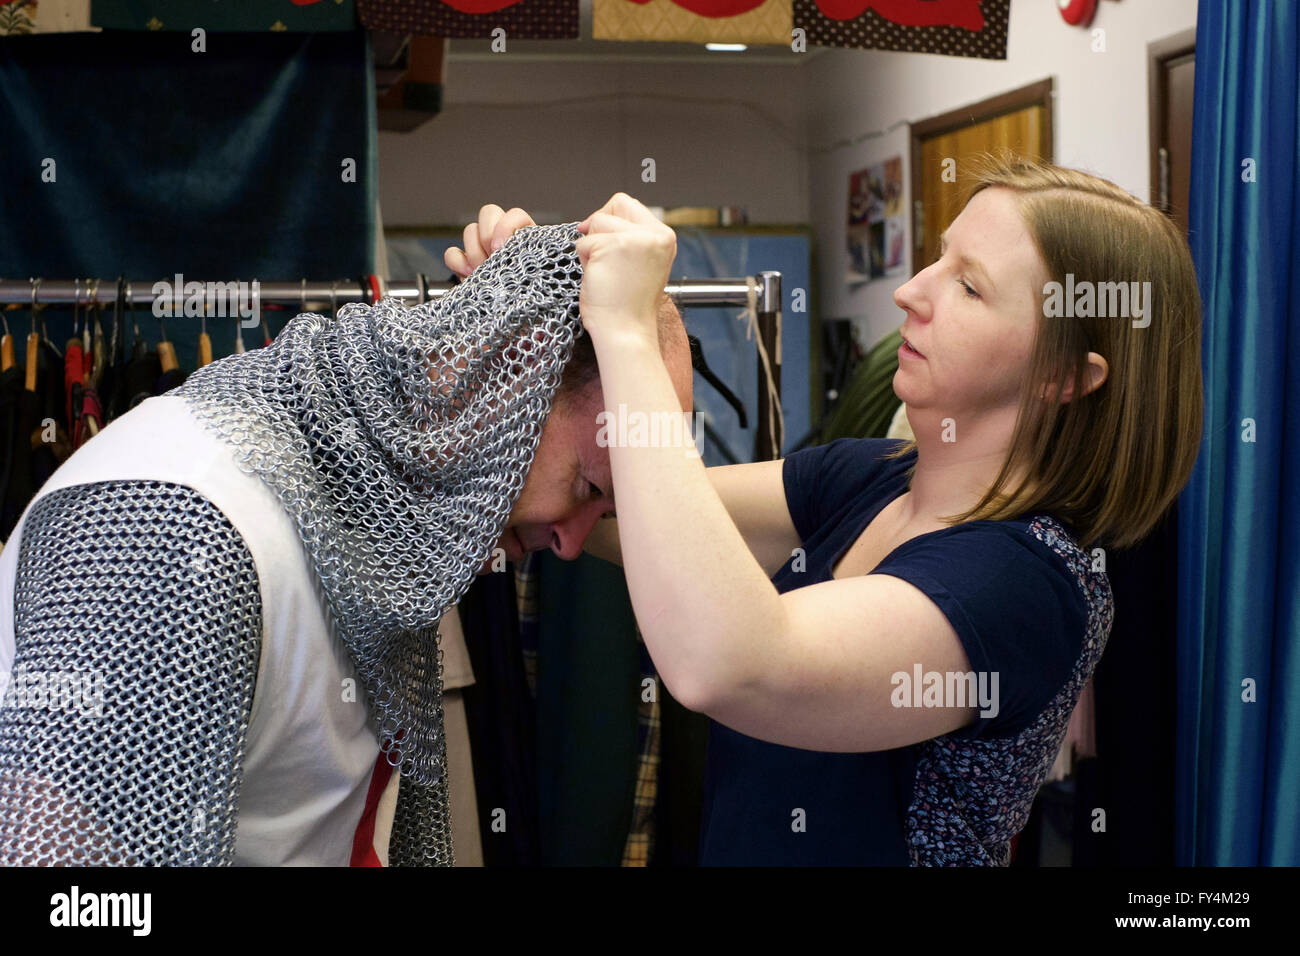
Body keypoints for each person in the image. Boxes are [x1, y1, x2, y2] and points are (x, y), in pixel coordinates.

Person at [471, 155, 1203, 865]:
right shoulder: (870, 477)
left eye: (970, 288)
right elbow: (620, 509)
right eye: (938, 260)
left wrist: (629, 330)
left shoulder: (1025, 588)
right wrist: (522, 332)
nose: (911, 292)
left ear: (1067, 377)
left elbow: (730, 667)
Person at [0, 218, 692, 866]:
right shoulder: (168, 528)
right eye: (587, 489)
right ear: (510, 375)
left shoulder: (382, 514)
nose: (572, 546)